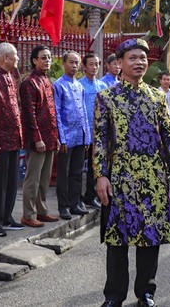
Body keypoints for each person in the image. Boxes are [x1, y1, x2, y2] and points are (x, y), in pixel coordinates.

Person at [93, 38, 170, 307]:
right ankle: (114, 296)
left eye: (142, 58)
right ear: (119, 63)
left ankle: (146, 292)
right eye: (132, 58)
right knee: (117, 239)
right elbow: (100, 140)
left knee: (150, 237)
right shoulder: (106, 98)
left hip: (153, 178)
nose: (139, 62)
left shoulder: (157, 97)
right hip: (120, 178)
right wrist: (101, 175)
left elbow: (168, 137)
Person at [0, 42, 25, 236]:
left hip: (14, 138)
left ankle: (7, 217)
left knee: (11, 181)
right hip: (0, 139)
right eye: (15, 55)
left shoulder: (11, 76)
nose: (18, 58)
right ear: (5, 58)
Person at [19, 45, 60, 228]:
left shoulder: (48, 81)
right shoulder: (29, 83)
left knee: (44, 178)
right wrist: (37, 138)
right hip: (38, 139)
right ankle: (28, 214)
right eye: (43, 57)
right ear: (34, 60)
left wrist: (56, 136)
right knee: (33, 179)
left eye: (49, 57)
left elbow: (52, 112)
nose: (47, 60)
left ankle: (42, 211)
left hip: (50, 137)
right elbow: (29, 114)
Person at [53, 51, 91, 220]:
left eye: (77, 63)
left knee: (77, 173)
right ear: (64, 63)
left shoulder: (79, 86)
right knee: (64, 173)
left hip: (80, 136)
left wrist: (87, 136)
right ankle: (64, 206)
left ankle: (75, 203)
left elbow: (83, 112)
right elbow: (57, 113)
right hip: (66, 138)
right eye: (71, 62)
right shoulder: (58, 85)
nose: (74, 66)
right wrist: (61, 138)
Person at [79, 53, 107, 209]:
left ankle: (91, 195)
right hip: (83, 132)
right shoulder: (80, 85)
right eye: (91, 64)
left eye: (97, 64)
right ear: (84, 66)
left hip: (99, 132)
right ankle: (78, 197)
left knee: (94, 166)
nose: (94, 67)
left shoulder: (102, 86)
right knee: (77, 167)